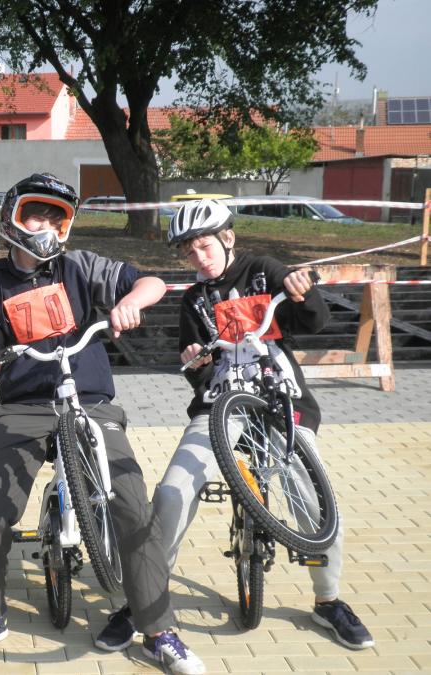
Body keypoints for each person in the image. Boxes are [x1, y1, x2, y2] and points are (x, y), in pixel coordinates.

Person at [0, 173, 206, 674]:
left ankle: (158, 631)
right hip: (24, 408)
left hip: (90, 402)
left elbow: (150, 282)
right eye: (35, 215)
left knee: (133, 507)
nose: (45, 226)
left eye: (55, 217)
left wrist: (131, 301)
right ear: (12, 218)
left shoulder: (80, 266)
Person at [94, 198, 374, 652]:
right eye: (189, 252)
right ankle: (143, 601)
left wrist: (302, 292)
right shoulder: (194, 300)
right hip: (219, 407)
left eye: (205, 246)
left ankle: (328, 601)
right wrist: (195, 362)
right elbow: (198, 372)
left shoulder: (262, 270)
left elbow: (314, 322)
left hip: (280, 400)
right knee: (171, 492)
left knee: (314, 499)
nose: (199, 258)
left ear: (228, 238)